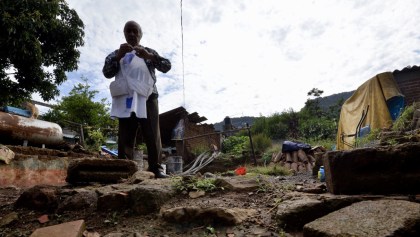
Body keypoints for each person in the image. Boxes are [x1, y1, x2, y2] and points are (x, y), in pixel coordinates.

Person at [102, 20, 171, 178]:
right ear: (124, 34)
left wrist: (150, 56)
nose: (132, 34)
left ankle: (156, 168)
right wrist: (119, 56)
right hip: (126, 97)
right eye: (128, 31)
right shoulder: (115, 53)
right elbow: (107, 73)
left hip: (148, 96)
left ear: (140, 34)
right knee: (126, 133)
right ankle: (124, 169)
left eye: (135, 31)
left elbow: (166, 66)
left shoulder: (148, 51)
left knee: (152, 132)